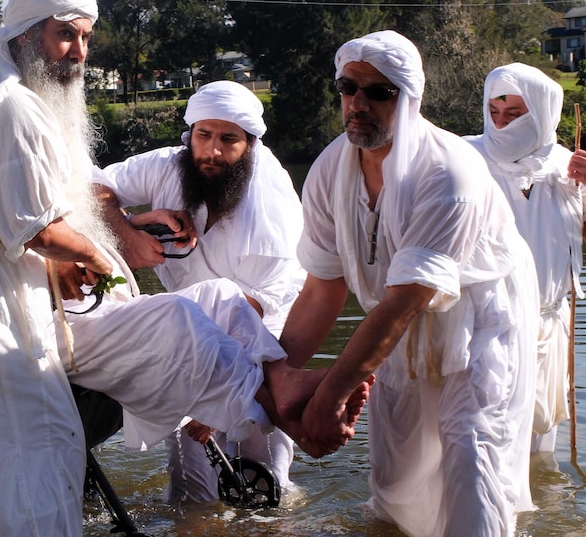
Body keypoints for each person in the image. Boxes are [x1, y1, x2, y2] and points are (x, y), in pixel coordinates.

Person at [0, 0, 369, 537]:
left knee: (205, 307)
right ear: (23, 34)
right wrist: (107, 256)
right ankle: (293, 407)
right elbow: (38, 225)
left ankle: (281, 394)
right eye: (65, 34)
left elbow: (24, 209)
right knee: (23, 439)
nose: (79, 51)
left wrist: (110, 235)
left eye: (87, 37)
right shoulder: (10, 105)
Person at [278, 30, 540, 536]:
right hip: (393, 325)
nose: (359, 102)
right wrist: (274, 383)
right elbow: (321, 289)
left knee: (470, 451)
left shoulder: (448, 172)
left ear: (409, 97)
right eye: (348, 87)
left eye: (379, 92)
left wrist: (330, 395)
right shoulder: (329, 170)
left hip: (479, 317)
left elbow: (406, 300)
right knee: (397, 475)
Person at [94, 80, 305, 502]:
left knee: (269, 491)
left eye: (229, 140)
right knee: (191, 494)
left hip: (258, 351)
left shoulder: (272, 205)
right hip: (181, 347)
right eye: (203, 135)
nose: (212, 151)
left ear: (251, 144)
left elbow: (259, 310)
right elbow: (89, 185)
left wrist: (216, 395)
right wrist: (131, 227)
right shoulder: (168, 166)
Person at [464, 63, 585, 454]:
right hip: (482, 326)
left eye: (514, 115)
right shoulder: (463, 160)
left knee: (537, 454)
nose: (501, 126)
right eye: (494, 113)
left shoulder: (568, 170)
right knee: (480, 444)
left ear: (542, 114)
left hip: (546, 326)